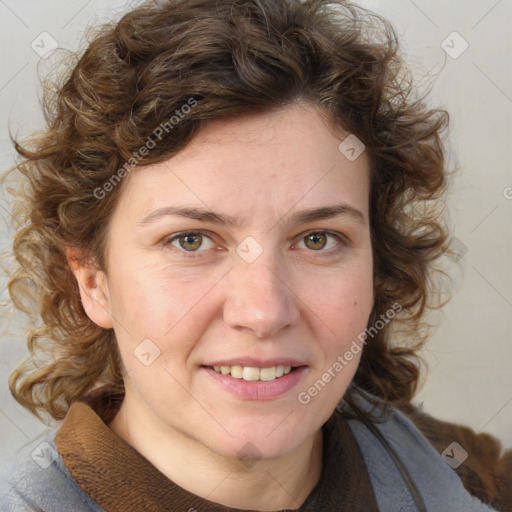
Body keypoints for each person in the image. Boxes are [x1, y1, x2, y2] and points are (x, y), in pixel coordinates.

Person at [0, 0, 510, 511]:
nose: (264, 311)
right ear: (93, 279)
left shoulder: (468, 477)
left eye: (317, 239)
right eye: (191, 240)